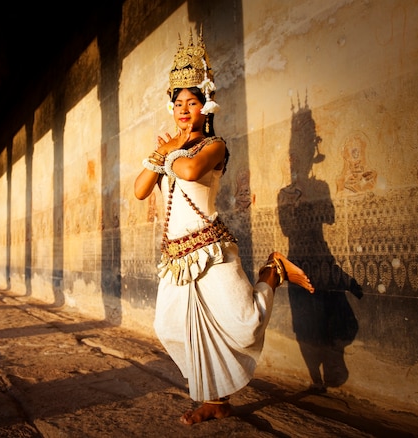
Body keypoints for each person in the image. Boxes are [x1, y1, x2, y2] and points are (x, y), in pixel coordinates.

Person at [134, 28, 315, 425]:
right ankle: (216, 400)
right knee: (171, 326)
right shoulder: (169, 151)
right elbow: (140, 189)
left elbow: (187, 168)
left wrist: (167, 150)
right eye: (178, 103)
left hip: (212, 249)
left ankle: (274, 270)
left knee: (246, 323)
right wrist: (160, 154)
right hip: (178, 258)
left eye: (192, 102)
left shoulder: (214, 147)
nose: (184, 110)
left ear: (206, 106)